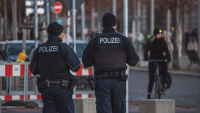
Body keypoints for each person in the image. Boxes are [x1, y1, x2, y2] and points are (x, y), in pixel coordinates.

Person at [82, 13, 139, 113]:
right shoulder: (123, 40)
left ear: (103, 25)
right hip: (119, 82)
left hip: (102, 82)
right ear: (115, 25)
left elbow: (86, 62)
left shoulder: (95, 40)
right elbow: (134, 60)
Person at [29, 22, 80, 113]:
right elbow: (76, 67)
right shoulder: (63, 48)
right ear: (58, 33)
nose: (63, 34)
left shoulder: (40, 49)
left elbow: (33, 70)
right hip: (62, 89)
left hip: (46, 89)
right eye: (62, 32)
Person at [144, 28, 171, 99]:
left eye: (160, 34)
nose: (159, 35)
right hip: (153, 59)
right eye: (158, 34)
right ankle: (149, 95)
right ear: (155, 35)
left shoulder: (163, 41)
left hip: (161, 59)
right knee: (151, 78)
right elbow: (147, 49)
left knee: (164, 69)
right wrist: (146, 57)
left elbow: (166, 51)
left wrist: (168, 58)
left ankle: (164, 82)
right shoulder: (151, 41)